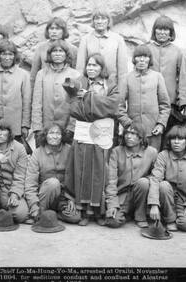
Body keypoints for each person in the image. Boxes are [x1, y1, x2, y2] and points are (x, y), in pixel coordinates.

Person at [64, 53, 120, 226]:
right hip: (83, 131)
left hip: (102, 133)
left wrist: (88, 97)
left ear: (102, 68)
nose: (91, 68)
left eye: (95, 65)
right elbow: (74, 108)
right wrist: (93, 104)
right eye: (89, 65)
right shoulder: (77, 82)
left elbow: (112, 106)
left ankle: (98, 211)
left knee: (100, 170)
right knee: (82, 169)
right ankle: (84, 211)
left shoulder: (110, 85)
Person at [148, 125, 186, 231]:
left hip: (185, 198)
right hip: (167, 197)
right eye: (173, 138)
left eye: (180, 139)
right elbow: (155, 178)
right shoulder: (163, 155)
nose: (176, 142)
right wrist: (154, 204)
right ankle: (169, 219)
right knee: (163, 185)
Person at [118, 45, 170, 151]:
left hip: (153, 129)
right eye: (138, 56)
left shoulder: (157, 77)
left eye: (145, 57)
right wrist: (128, 124)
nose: (142, 60)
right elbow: (119, 106)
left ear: (150, 59)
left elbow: (165, 105)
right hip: (133, 130)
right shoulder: (126, 78)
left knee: (152, 159)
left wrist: (160, 124)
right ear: (134, 59)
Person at [24, 124, 80, 224]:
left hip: (63, 196)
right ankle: (40, 213)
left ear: (62, 136)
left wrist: (72, 199)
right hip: (44, 195)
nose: (54, 136)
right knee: (53, 183)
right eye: (51, 133)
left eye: (58, 133)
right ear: (45, 135)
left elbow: (75, 177)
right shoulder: (37, 153)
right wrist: (33, 205)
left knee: (75, 218)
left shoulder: (69, 150)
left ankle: (54, 214)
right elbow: (30, 182)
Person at [105, 125, 157, 228]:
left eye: (133, 134)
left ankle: (140, 216)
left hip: (142, 195)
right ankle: (127, 213)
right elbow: (111, 180)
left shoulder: (152, 152)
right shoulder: (117, 151)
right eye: (127, 133)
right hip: (122, 195)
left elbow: (156, 177)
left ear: (141, 137)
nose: (129, 136)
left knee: (144, 182)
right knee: (113, 222)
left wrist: (153, 203)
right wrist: (112, 204)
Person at [0, 40, 31, 141]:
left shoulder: (23, 75)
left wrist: (25, 125)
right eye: (4, 54)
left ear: (14, 56)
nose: (7, 57)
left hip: (15, 125)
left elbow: (27, 102)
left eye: (10, 54)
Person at [31, 40, 80, 141]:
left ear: (66, 54)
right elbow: (37, 102)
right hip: (45, 126)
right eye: (54, 51)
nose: (58, 54)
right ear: (49, 54)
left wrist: (71, 128)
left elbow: (76, 104)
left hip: (65, 127)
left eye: (61, 51)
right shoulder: (41, 74)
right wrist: (37, 127)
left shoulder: (74, 74)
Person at [146, 15, 185, 130]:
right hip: (149, 100)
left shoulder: (178, 52)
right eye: (159, 29)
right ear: (154, 31)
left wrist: (180, 100)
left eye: (166, 29)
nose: (162, 32)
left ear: (171, 32)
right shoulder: (147, 48)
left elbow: (182, 78)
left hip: (170, 102)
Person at [76, 8, 127, 87]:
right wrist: (81, 89)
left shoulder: (118, 39)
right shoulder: (85, 39)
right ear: (93, 21)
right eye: (97, 18)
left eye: (103, 18)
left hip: (111, 87)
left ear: (108, 21)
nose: (100, 21)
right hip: (90, 88)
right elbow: (80, 68)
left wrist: (121, 94)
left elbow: (122, 72)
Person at [30, 17, 78, 93]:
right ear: (48, 30)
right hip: (46, 87)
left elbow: (75, 73)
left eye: (57, 29)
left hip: (65, 89)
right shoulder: (41, 48)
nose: (54, 31)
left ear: (63, 31)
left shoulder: (72, 49)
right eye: (51, 28)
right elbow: (34, 74)